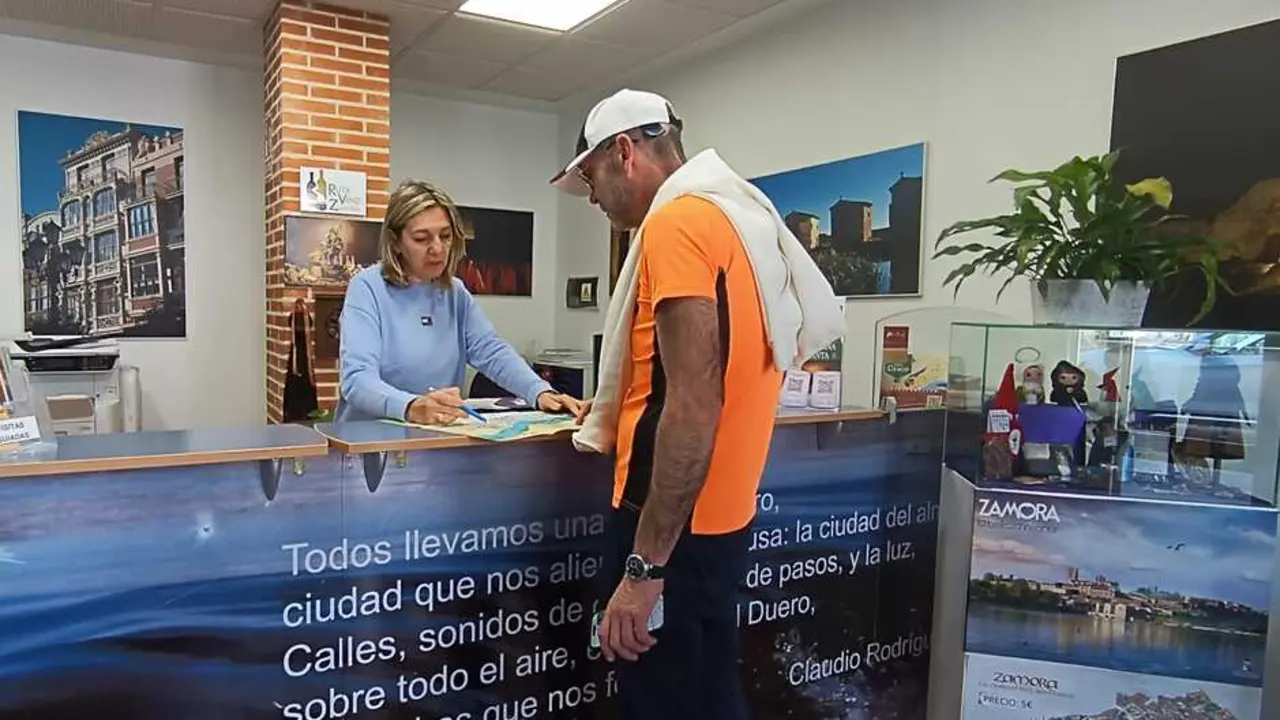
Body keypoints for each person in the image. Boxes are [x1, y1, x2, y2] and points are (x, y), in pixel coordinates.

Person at [552, 90, 842, 719]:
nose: (594, 198)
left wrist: (643, 567)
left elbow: (692, 399)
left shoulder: (678, 222)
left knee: (664, 698)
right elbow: (701, 376)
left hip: (668, 530)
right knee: (706, 695)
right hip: (721, 519)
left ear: (623, 153)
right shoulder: (738, 219)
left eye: (592, 177)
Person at [336, 179, 583, 425]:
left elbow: (491, 351)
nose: (437, 248)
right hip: (370, 443)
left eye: (445, 236)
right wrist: (410, 406)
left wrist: (539, 391)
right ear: (396, 242)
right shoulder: (367, 288)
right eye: (422, 239)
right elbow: (357, 380)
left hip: (431, 442)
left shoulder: (455, 292)